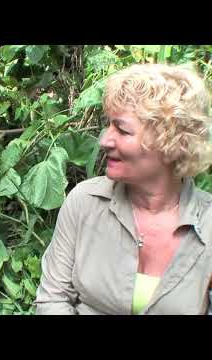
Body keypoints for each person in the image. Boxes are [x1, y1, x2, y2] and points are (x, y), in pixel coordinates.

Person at [34, 63, 212, 315]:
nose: (105, 140)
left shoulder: (208, 224)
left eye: (122, 129)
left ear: (171, 142)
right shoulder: (85, 202)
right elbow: (52, 298)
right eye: (109, 126)